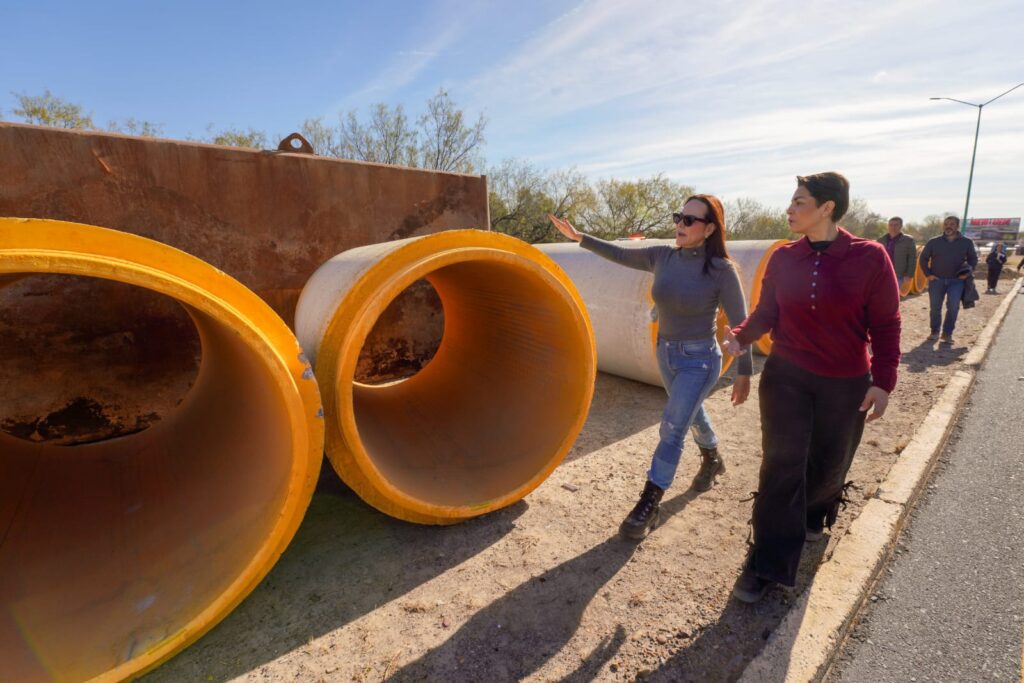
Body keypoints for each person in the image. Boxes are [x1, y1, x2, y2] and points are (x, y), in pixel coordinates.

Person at [722, 172, 901, 603]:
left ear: (827, 207)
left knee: (828, 463)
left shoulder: (870, 257)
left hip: (846, 383)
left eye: (799, 201)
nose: (789, 209)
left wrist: (883, 382)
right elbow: (766, 313)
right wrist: (740, 337)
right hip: (787, 377)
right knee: (781, 466)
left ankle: (816, 513)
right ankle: (766, 564)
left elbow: (887, 324)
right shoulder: (784, 258)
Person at [547, 195, 752, 541]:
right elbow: (619, 254)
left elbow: (741, 323)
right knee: (690, 412)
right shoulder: (662, 256)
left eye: (690, 220)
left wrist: (744, 371)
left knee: (672, 426)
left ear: (709, 229)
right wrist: (580, 237)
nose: (680, 224)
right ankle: (713, 457)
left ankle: (649, 502)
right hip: (666, 354)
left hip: (700, 360)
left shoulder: (721, 270)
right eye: (679, 217)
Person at [918, 216, 978, 343]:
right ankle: (934, 332)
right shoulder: (934, 242)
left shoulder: (966, 242)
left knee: (953, 307)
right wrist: (928, 274)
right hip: (936, 281)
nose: (948, 226)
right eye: (946, 224)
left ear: (957, 226)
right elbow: (923, 258)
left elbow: (973, 259)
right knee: (935, 307)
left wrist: (967, 273)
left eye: (952, 224)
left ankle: (947, 333)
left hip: (956, 281)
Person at [876, 216, 916, 292]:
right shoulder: (881, 240)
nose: (893, 227)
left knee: (892, 294)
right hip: (882, 273)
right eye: (891, 225)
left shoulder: (908, 240)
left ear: (901, 226)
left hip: (898, 275)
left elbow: (912, 258)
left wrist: (909, 274)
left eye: (896, 225)